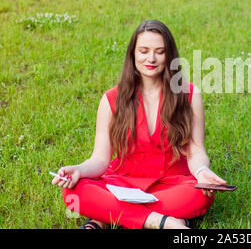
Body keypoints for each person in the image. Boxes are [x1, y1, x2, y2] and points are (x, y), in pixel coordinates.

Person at [51, 20, 227, 229]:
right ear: (132, 54)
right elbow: (100, 159)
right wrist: (78, 170)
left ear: (169, 56)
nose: (151, 58)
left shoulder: (189, 94)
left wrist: (201, 172)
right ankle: (163, 222)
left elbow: (196, 151)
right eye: (143, 51)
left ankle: (103, 218)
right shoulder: (111, 99)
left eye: (159, 52)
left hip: (172, 185)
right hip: (122, 183)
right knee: (73, 190)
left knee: (199, 195)